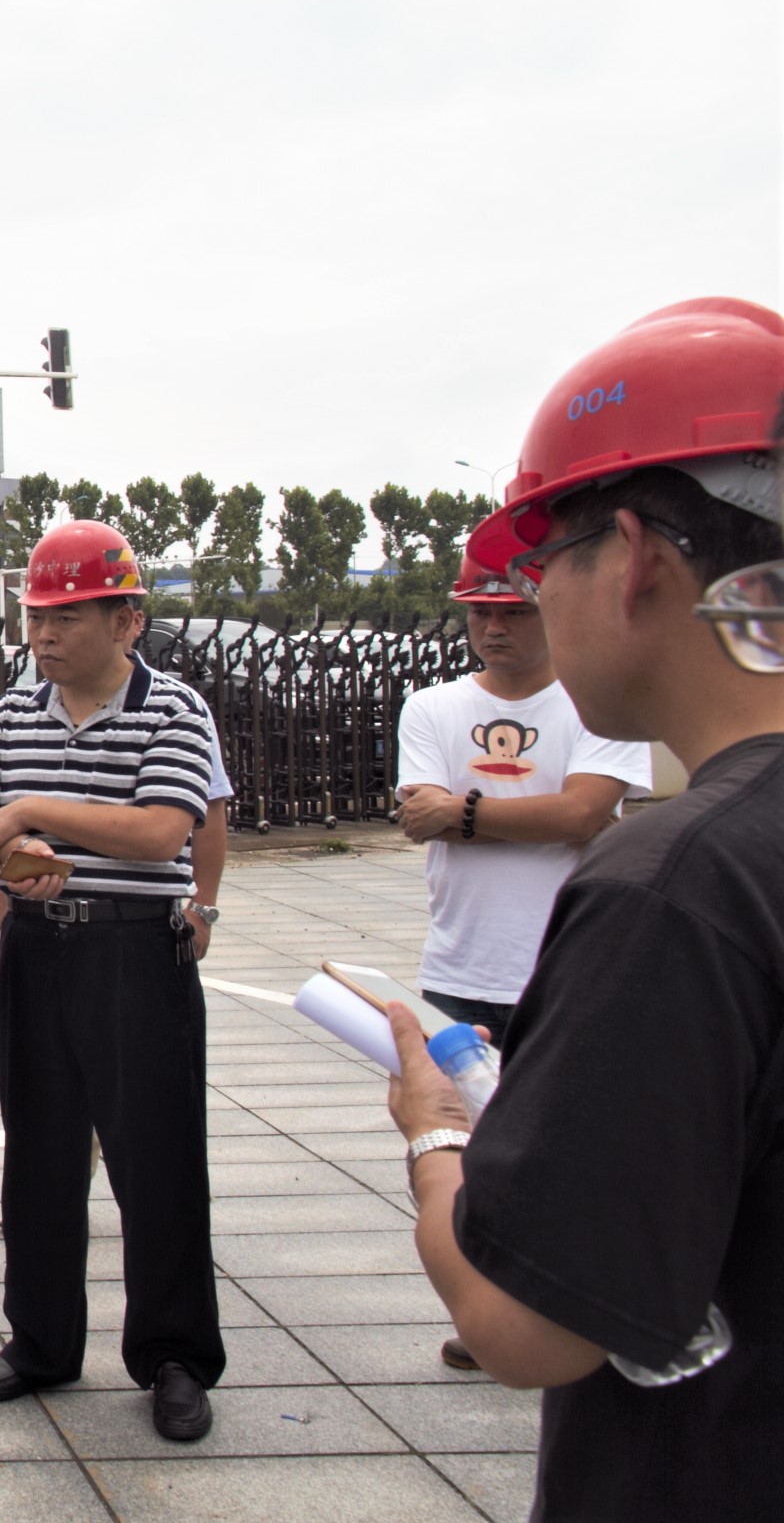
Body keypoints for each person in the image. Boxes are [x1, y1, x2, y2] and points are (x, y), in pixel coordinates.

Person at [386, 297, 784, 1520]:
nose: (530, 600)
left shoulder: (679, 885)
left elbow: (526, 1330)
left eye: (542, 562)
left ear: (636, 558)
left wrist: (436, 1140)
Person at [0, 519, 222, 1443]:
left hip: (134, 955)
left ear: (127, 621)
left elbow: (160, 832)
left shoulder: (174, 710)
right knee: (39, 1152)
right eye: (36, 617)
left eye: (66, 617)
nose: (44, 635)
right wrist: (11, 850)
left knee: (157, 1159)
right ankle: (41, 1341)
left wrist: (32, 810)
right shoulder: (15, 711)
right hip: (37, 950)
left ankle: (175, 1355)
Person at [393, 557, 655, 1372]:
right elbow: (418, 816)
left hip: (569, 963)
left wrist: (467, 811)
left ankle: (571, 1312)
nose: (494, 627)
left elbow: (584, 811)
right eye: (481, 613)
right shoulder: (432, 706)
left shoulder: (593, 704)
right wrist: (534, 817)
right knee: (470, 1152)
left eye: (513, 611)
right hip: (461, 965)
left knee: (572, 1150)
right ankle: (489, 1311)